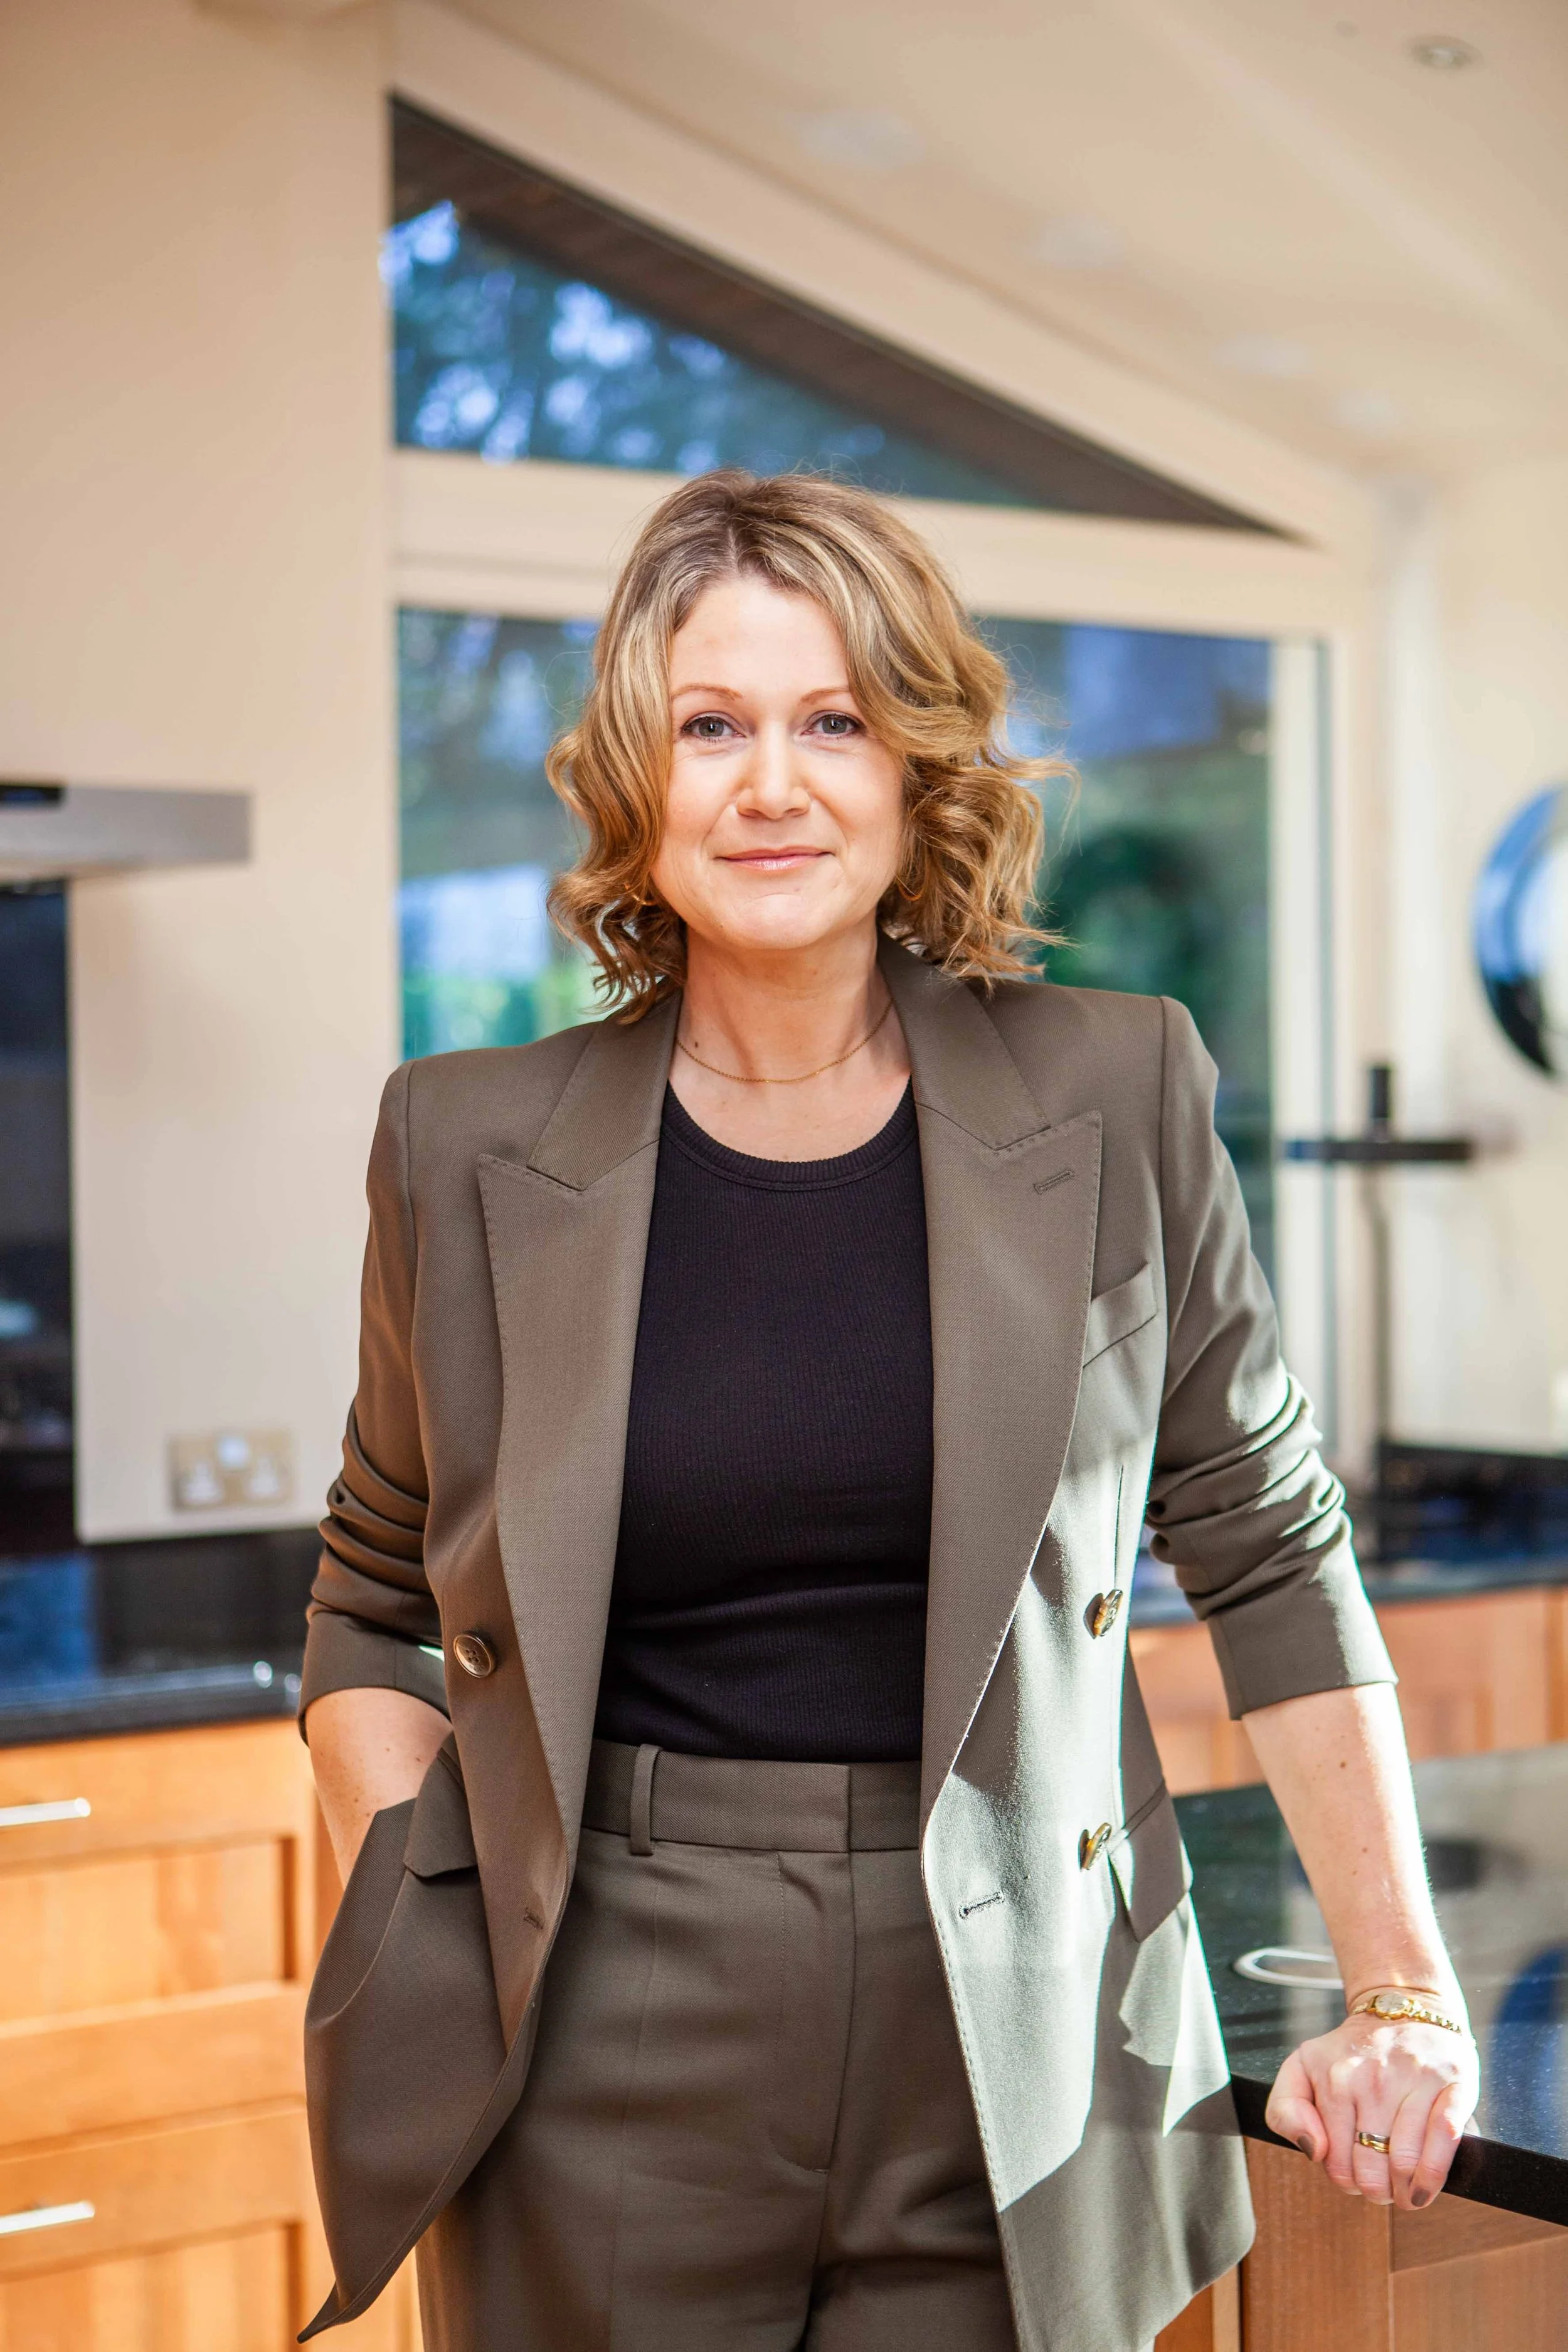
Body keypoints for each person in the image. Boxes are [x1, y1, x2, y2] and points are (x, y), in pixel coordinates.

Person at [300, 470, 1478, 2352]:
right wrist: (420, 1897)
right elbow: (369, 1590)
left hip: (1025, 2041)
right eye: (711, 725)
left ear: (918, 764)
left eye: (832, 720)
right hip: (600, 2031)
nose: (770, 784)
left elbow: (1268, 1544)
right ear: (636, 776)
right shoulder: (460, 1142)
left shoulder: (1120, 1089)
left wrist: (1401, 1986)